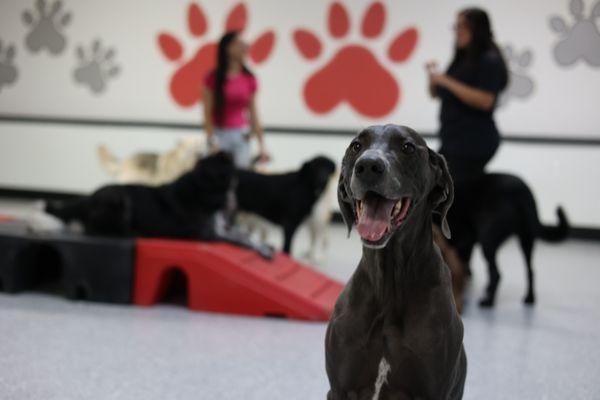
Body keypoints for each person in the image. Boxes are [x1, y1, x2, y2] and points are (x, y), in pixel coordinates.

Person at [426, 7, 508, 184]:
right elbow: (436, 94)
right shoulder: (461, 59)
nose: (458, 31)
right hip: (452, 140)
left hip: (473, 142)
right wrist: (433, 79)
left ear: (477, 29)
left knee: (451, 190)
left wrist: (446, 81)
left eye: (463, 26)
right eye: (456, 26)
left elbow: (486, 100)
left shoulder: (489, 60)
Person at [203, 31, 268, 168]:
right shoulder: (212, 78)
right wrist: (211, 140)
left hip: (241, 135)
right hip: (219, 134)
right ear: (228, 48)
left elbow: (254, 114)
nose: (244, 48)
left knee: (240, 177)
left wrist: (262, 146)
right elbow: (207, 114)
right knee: (217, 177)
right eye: (240, 44)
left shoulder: (249, 78)